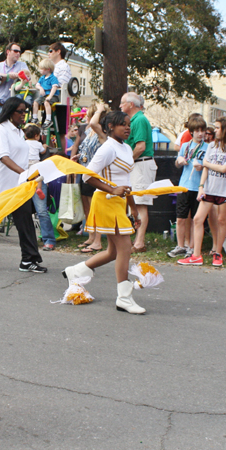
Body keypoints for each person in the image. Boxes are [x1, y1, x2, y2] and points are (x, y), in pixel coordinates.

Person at [62, 110, 144, 314]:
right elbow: (86, 176)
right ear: (109, 127)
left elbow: (125, 182)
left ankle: (77, 271)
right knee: (125, 248)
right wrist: (112, 189)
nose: (127, 128)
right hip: (106, 200)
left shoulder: (126, 147)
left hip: (119, 202)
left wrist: (133, 208)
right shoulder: (107, 148)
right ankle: (124, 298)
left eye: (128, 124)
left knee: (114, 251)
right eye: (122, 125)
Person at [0, 97, 47, 272]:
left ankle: (29, 259)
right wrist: (25, 174)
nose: (23, 115)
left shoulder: (20, 132)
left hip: (17, 186)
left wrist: (30, 175)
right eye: (20, 111)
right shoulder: (0, 130)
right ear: (10, 111)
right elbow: (3, 157)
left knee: (25, 221)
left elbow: (22, 158)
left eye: (25, 111)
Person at [177, 117, 226, 266]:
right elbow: (205, 167)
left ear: (225, 129)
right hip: (209, 189)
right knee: (198, 219)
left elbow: (224, 168)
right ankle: (196, 255)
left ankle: (218, 253)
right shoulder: (212, 146)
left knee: (221, 220)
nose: (214, 131)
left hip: (225, 190)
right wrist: (201, 187)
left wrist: (207, 163)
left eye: (218, 128)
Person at [168, 115, 207, 259]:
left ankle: (192, 246)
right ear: (191, 131)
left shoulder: (207, 147)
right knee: (181, 217)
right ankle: (180, 245)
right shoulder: (185, 146)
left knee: (194, 219)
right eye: (197, 130)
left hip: (198, 187)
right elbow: (178, 163)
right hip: (184, 186)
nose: (200, 133)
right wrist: (179, 160)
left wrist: (202, 166)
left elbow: (208, 167)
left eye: (202, 130)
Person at [120, 92, 154, 253]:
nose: (120, 106)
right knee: (136, 202)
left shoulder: (139, 120)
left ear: (131, 104)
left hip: (141, 164)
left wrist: (126, 162)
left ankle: (139, 242)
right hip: (138, 165)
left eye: (122, 103)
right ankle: (136, 239)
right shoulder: (135, 120)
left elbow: (140, 147)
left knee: (140, 204)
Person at [75, 104, 106, 253]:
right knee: (87, 205)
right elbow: (84, 149)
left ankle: (98, 240)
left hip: (96, 173)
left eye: (89, 115)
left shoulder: (101, 132)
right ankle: (91, 235)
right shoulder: (89, 132)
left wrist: (99, 109)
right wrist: (79, 156)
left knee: (95, 206)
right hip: (84, 169)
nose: (87, 118)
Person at [24, 123, 56, 251]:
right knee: (40, 211)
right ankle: (48, 240)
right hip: (36, 172)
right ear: (37, 136)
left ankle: (46, 239)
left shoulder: (24, 144)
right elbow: (43, 151)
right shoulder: (38, 145)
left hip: (26, 173)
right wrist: (45, 146)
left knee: (40, 211)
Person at [0, 43, 30, 120]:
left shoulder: (22, 65)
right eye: (15, 51)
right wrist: (6, 76)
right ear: (8, 52)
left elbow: (27, 78)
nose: (18, 54)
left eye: (19, 52)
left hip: (11, 106)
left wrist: (14, 75)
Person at [30, 59, 60, 128]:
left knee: (46, 102)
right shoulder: (42, 78)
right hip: (43, 95)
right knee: (35, 102)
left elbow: (54, 87)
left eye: (41, 69)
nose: (40, 70)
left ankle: (48, 119)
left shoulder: (53, 78)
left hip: (52, 96)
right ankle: (35, 118)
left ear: (48, 69)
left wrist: (50, 96)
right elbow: (37, 85)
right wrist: (40, 88)